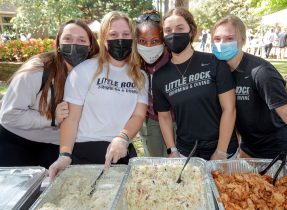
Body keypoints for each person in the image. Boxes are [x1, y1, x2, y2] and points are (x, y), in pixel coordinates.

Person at [49, 11, 149, 178]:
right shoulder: (84, 70)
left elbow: (138, 115)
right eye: (113, 34)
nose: (120, 39)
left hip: (120, 149)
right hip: (85, 150)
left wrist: (122, 138)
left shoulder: (141, 76)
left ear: (132, 39)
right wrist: (64, 155)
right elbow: (71, 118)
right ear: (103, 38)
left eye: (125, 34)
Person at [0, 20, 99, 168]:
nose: (74, 44)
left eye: (81, 40)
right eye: (68, 39)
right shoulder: (38, 70)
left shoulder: (94, 73)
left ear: (90, 46)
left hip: (55, 145)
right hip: (17, 141)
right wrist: (52, 118)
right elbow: (8, 115)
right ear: (58, 44)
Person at [211, 15, 287, 163]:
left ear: (243, 40)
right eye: (217, 39)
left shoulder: (260, 72)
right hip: (249, 150)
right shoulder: (221, 73)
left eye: (229, 39)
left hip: (278, 152)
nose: (222, 44)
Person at [152, 8, 238, 160]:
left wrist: (221, 151)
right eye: (168, 30)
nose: (174, 34)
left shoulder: (214, 62)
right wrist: (172, 150)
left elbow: (229, 108)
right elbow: (164, 116)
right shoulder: (160, 76)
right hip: (186, 152)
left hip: (222, 150)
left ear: (191, 31)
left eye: (180, 28)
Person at [136, 10, 174, 157]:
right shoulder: (135, 62)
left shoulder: (173, 58)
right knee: (155, 163)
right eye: (143, 42)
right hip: (151, 122)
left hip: (176, 120)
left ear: (163, 40)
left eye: (155, 41)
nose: (149, 46)